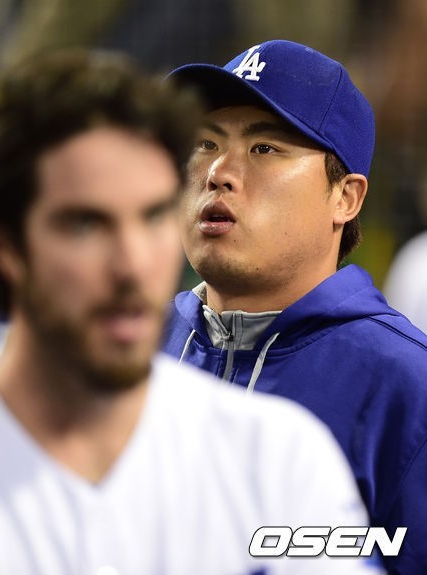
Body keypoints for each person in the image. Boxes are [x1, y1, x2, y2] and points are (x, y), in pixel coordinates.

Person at [0, 49, 381, 575]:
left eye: (152, 217)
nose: (133, 265)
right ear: (3, 247)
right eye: (86, 224)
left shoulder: (280, 461)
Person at [162, 39, 427, 575]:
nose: (218, 172)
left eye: (264, 149)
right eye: (206, 143)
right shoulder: (130, 352)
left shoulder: (405, 383)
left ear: (345, 198)